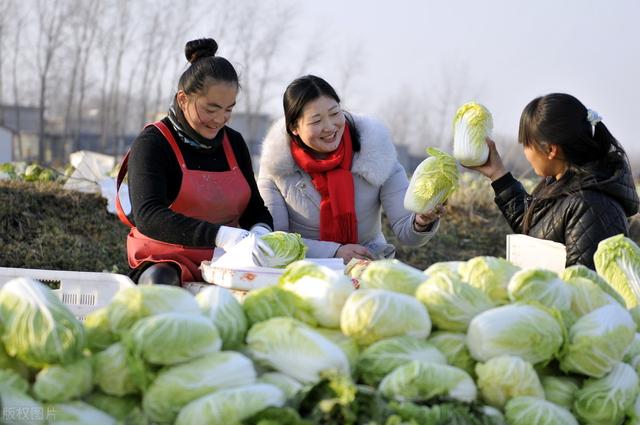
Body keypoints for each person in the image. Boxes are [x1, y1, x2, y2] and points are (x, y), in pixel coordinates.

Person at [116, 38, 273, 285]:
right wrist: (220, 235)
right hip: (166, 261)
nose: (220, 119)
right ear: (183, 99)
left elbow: (255, 209)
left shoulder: (234, 143)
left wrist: (261, 231)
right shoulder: (153, 143)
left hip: (225, 263)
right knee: (159, 281)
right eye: (210, 109)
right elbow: (149, 215)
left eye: (228, 109)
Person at [257, 75, 444, 264]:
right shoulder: (277, 166)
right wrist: (334, 253)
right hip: (304, 270)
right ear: (294, 128)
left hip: (368, 267)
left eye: (334, 113)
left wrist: (421, 221)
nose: (330, 127)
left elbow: (407, 232)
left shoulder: (377, 152)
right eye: (316, 121)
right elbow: (275, 240)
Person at [468, 93, 639, 269]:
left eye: (526, 144)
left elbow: (585, 285)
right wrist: (497, 173)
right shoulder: (561, 185)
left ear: (551, 150)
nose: (525, 152)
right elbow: (536, 226)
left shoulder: (592, 207)